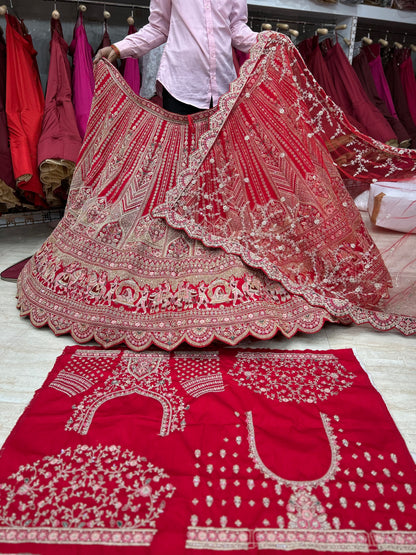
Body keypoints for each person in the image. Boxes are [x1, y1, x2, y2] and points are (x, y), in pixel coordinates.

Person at [94, 0, 258, 115]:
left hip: (223, 88)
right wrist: (120, 48)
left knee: (218, 160)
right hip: (180, 88)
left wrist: (267, 41)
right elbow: (159, 28)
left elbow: (236, 28)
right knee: (179, 158)